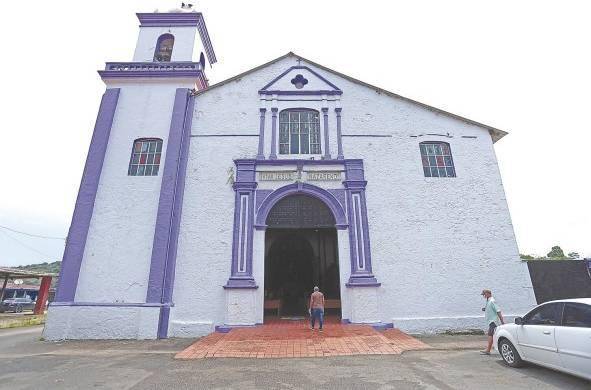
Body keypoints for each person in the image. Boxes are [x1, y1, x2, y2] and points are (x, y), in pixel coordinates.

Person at [480, 289, 505, 355]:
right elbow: (491, 308)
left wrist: (502, 321)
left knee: (490, 334)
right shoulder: (488, 301)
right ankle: (489, 349)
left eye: (484, 294)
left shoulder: (492, 301)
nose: (484, 296)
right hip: (491, 321)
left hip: (493, 321)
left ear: (488, 293)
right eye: (483, 295)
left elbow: (498, 311)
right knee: (492, 335)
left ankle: (488, 350)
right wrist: (485, 309)